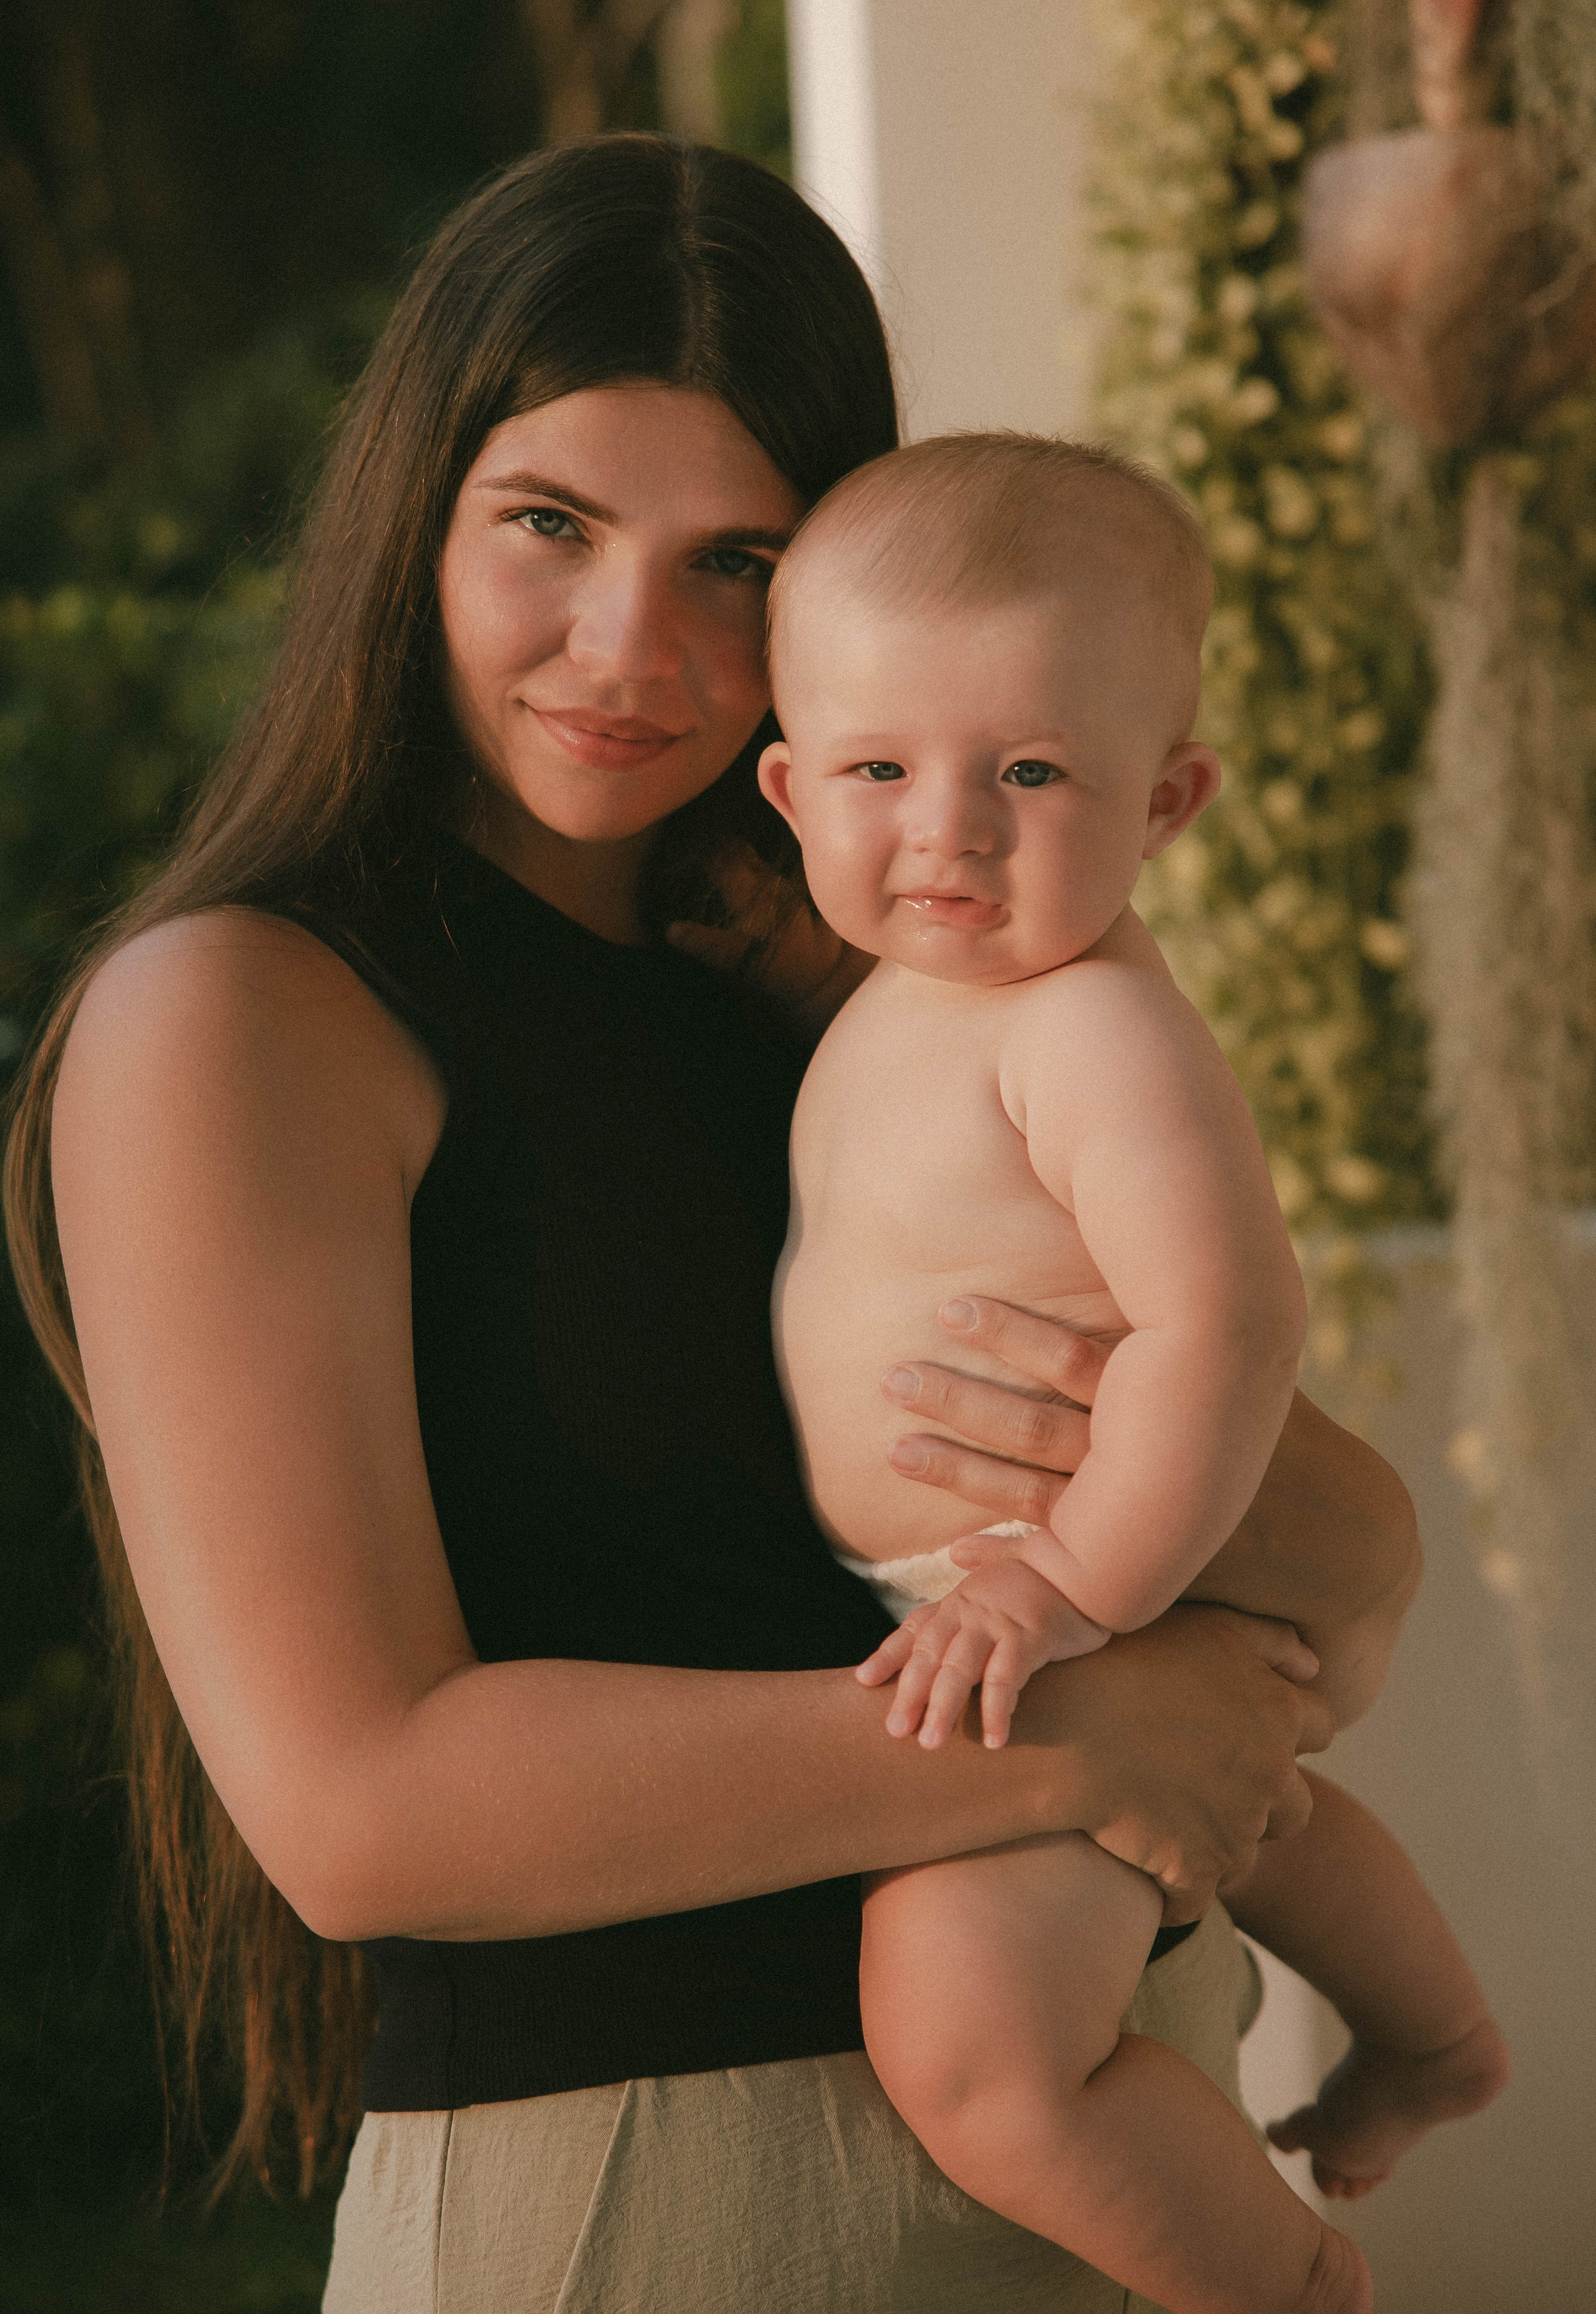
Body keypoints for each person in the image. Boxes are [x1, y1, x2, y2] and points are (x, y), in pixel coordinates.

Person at [2, 138, 1418, 2314]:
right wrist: (1072, 1724)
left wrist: (1210, 1520)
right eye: (550, 527)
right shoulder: (246, 1016)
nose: (631, 648)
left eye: (736, 559)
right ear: (417, 517)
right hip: (669, 2198)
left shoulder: (860, 987)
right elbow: (359, 1809)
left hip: (1127, 2110)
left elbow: (1342, 1567)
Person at [759, 433, 1509, 2314]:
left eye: (1031, 771)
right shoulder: (897, 996)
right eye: (878, 770)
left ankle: (1292, 2286)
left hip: (1066, 1581)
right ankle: (1437, 2041)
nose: (949, 829)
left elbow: (1225, 1322)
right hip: (1018, 1592)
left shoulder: (1090, 1028)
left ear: (1167, 799)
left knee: (973, 2059)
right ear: (787, 788)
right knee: (1261, 1808)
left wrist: (1075, 1582)